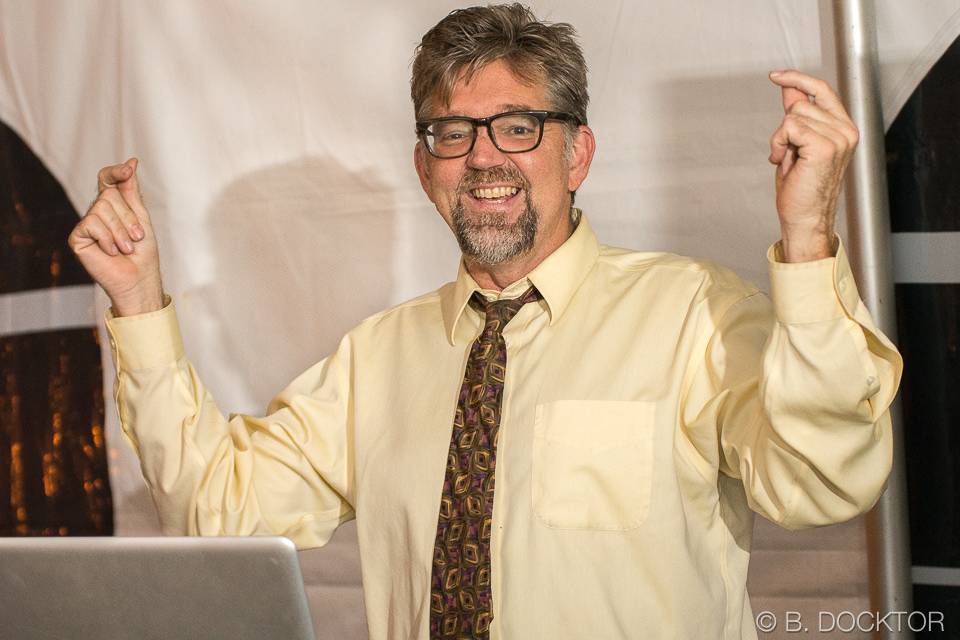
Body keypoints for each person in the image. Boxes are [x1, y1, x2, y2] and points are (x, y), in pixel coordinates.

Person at [68, 4, 901, 639]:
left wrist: (807, 234)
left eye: (518, 127)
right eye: (453, 133)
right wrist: (139, 304)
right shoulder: (377, 357)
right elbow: (217, 512)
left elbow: (824, 481)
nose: (484, 157)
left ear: (576, 153)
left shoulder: (695, 315)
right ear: (424, 166)